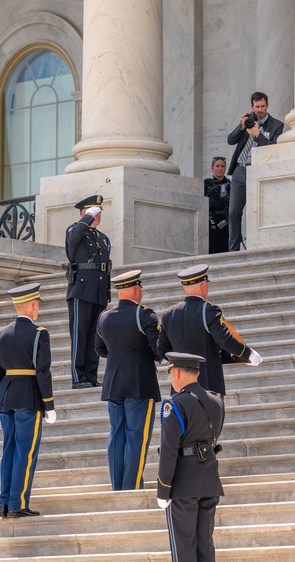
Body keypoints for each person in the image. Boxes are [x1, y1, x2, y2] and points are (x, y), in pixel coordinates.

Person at [156, 352, 225, 562]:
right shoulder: (216, 400)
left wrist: (163, 490)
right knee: (204, 545)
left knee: (184, 545)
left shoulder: (175, 405)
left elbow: (169, 452)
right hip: (209, 479)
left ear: (176, 373)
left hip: (183, 485)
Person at [0, 283, 57, 518]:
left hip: (5, 397)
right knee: (25, 451)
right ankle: (18, 503)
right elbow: (42, 371)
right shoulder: (39, 334)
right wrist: (49, 404)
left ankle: (4, 502)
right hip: (28, 396)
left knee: (9, 449)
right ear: (33, 306)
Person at [95, 270, 162, 491]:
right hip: (139, 382)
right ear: (135, 290)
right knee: (136, 437)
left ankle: (118, 487)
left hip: (114, 383)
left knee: (117, 437)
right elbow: (158, 349)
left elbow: (99, 349)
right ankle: (131, 488)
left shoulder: (104, 317)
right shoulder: (144, 315)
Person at [158, 264, 262, 396]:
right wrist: (249, 354)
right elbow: (225, 340)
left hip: (179, 389)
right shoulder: (208, 311)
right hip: (208, 386)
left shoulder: (169, 314)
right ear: (203, 286)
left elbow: (162, 351)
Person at [226, 92, 285, 251]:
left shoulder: (276, 125)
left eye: (263, 106)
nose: (260, 110)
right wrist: (242, 126)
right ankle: (233, 251)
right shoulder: (248, 122)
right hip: (240, 170)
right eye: (257, 107)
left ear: (267, 105)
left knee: (259, 212)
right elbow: (230, 140)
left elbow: (274, 149)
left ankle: (261, 247)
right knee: (233, 212)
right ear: (252, 106)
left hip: (261, 172)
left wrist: (257, 135)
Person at [65, 194, 111, 388]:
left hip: (98, 291)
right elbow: (74, 239)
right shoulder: (74, 231)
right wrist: (85, 220)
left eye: (99, 212)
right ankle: (78, 377)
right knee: (80, 334)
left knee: (94, 336)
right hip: (81, 290)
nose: (97, 215)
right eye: (93, 212)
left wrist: (106, 292)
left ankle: (91, 376)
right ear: (84, 213)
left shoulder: (102, 238)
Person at [204, 157, 231, 254]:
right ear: (212, 168)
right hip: (211, 224)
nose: (220, 169)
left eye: (222, 166)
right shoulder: (206, 184)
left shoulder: (229, 185)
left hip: (225, 224)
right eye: (217, 166)